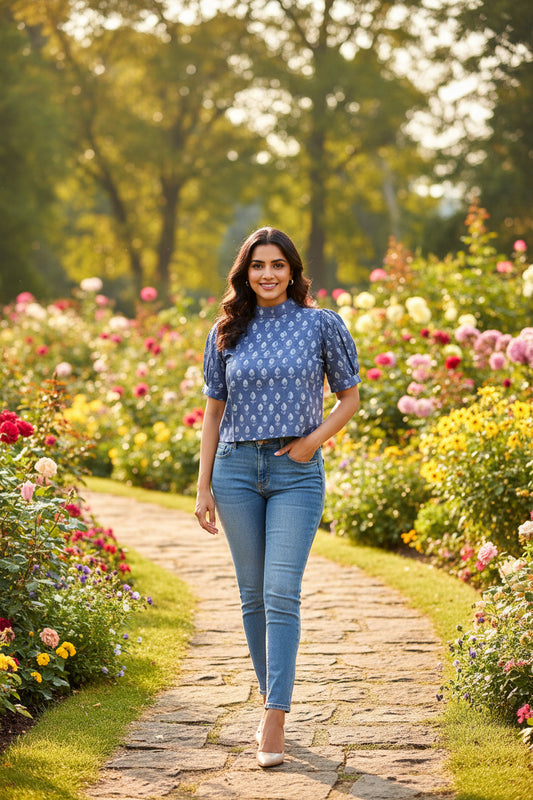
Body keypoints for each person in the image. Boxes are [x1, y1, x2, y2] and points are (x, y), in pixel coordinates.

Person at [195, 227, 360, 768]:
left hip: (296, 473)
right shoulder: (226, 331)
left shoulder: (320, 324)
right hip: (235, 471)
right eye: (258, 265)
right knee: (252, 595)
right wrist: (204, 488)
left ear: (293, 271)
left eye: (278, 265)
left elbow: (349, 396)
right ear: (244, 272)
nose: (267, 274)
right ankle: (271, 697)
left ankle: (274, 716)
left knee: (281, 589)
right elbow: (213, 413)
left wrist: (310, 444)